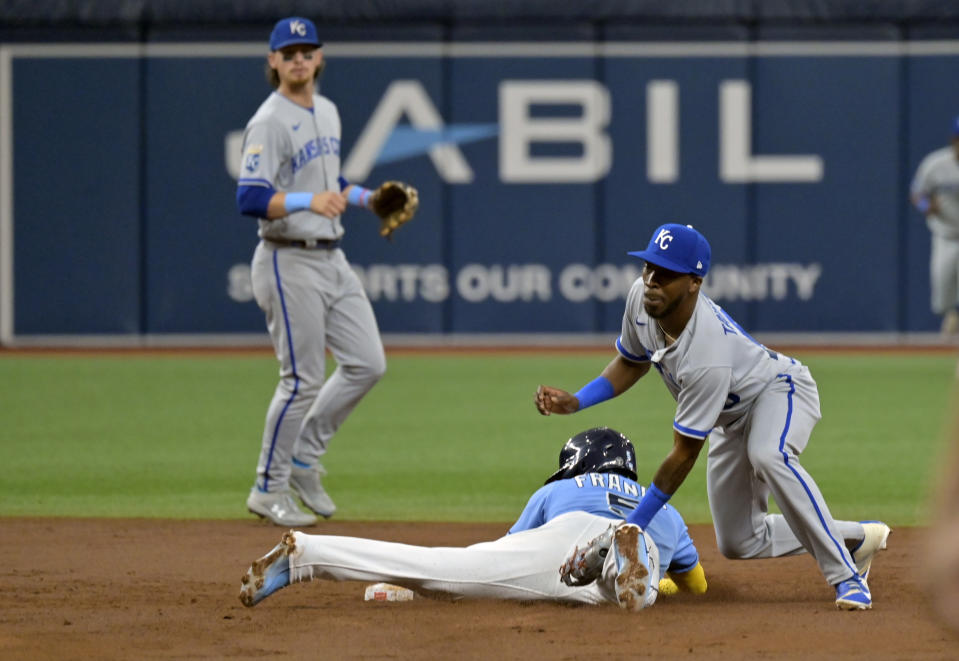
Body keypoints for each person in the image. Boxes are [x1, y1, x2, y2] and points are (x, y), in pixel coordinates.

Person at [535, 223, 890, 610]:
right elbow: (631, 361)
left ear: (694, 282)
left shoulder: (707, 355)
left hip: (780, 392)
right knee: (740, 542)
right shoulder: (641, 299)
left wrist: (633, 524)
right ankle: (854, 539)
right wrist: (577, 401)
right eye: (648, 267)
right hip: (728, 418)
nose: (652, 280)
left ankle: (846, 578)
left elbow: (684, 453)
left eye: (666, 273)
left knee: (769, 455)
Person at [237, 17, 408, 526]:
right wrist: (313, 200)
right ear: (272, 62)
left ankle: (305, 459)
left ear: (319, 58)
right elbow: (249, 197)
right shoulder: (268, 120)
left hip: (331, 257)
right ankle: (268, 488)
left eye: (306, 51)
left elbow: (330, 181)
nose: (298, 60)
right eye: (287, 52)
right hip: (286, 258)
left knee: (367, 362)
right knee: (301, 379)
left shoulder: (327, 111)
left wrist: (367, 199)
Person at [239, 427, 707, 611]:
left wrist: (419, 585)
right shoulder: (664, 505)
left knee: (449, 568)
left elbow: (505, 548)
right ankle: (620, 555)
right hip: (637, 536)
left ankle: (308, 554)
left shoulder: (561, 488)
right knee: (632, 596)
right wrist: (666, 579)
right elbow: (698, 586)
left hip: (561, 542)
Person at [911, 115, 959, 336]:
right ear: (953, 140)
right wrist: (926, 206)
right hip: (945, 236)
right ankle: (952, 318)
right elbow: (916, 193)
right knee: (942, 296)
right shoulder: (936, 164)